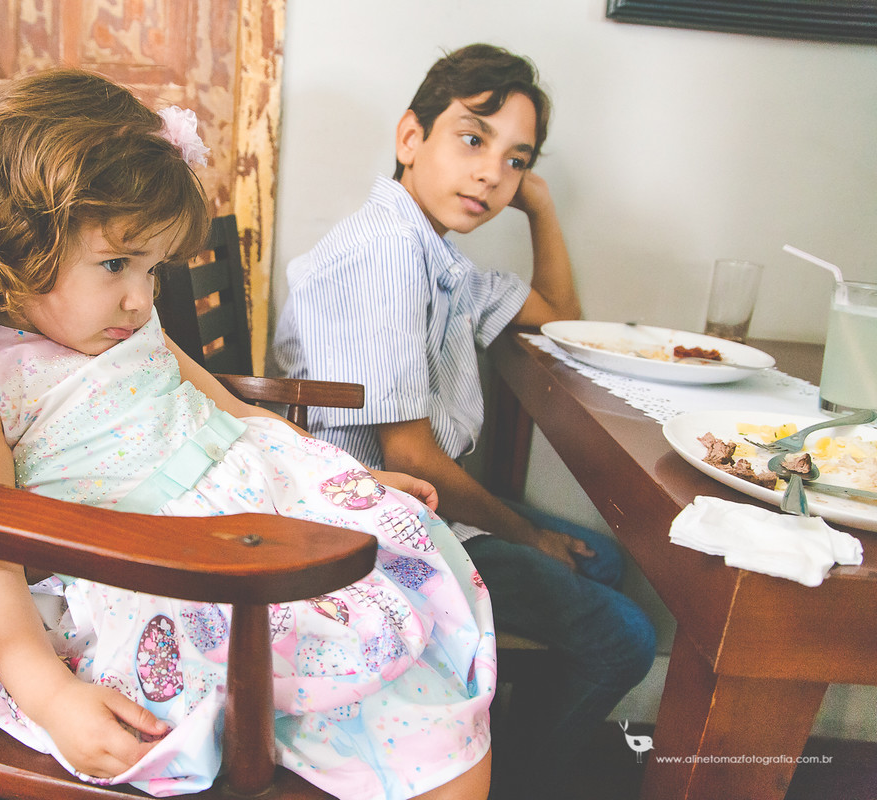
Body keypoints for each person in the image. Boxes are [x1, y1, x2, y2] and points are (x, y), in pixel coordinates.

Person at [0, 67, 498, 800]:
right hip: (155, 568)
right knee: (400, 710)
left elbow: (226, 408)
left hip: (249, 506)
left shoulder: (127, 322)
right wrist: (52, 699)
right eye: (117, 265)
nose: (140, 296)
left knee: (413, 632)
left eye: (152, 268)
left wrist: (336, 474)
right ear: (17, 241)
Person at [273, 44, 656, 798]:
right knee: (625, 637)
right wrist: (530, 537)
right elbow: (410, 455)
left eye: (516, 161)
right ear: (410, 139)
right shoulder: (384, 254)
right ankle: (513, 778)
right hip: (371, 531)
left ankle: (505, 747)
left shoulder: (434, 255)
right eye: (473, 139)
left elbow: (561, 322)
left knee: (604, 562)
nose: (492, 173)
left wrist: (541, 205)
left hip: (415, 506)